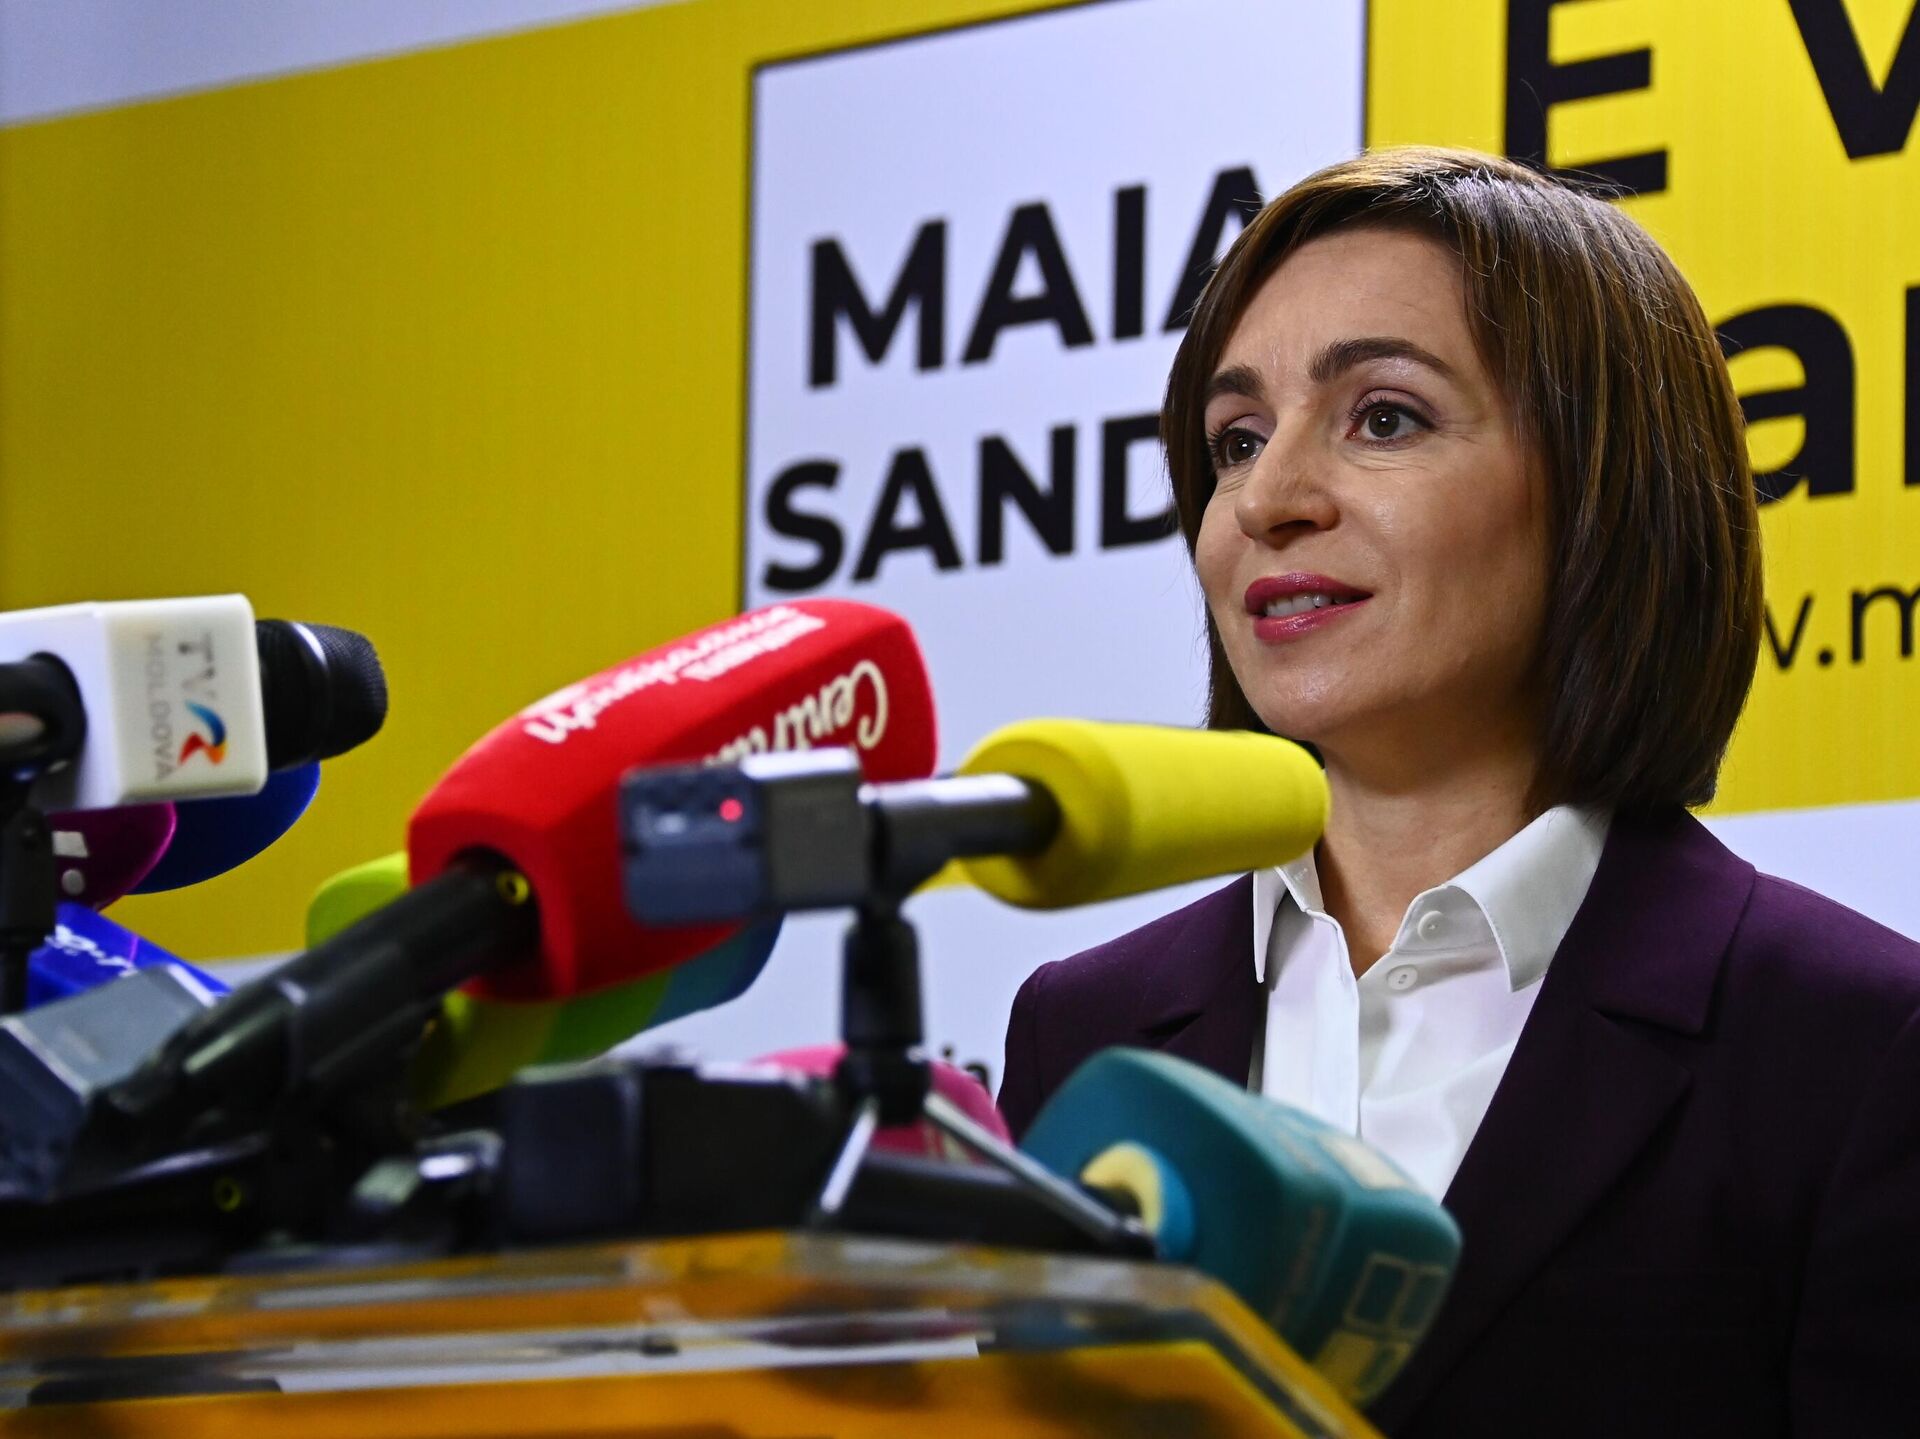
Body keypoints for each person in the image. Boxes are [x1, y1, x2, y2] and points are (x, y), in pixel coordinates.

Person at [998, 148, 1920, 1435]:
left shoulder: (1859, 1042)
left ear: (1604, 487)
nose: (1266, 500)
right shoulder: (1080, 1027)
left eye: (1384, 417)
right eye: (1236, 440)